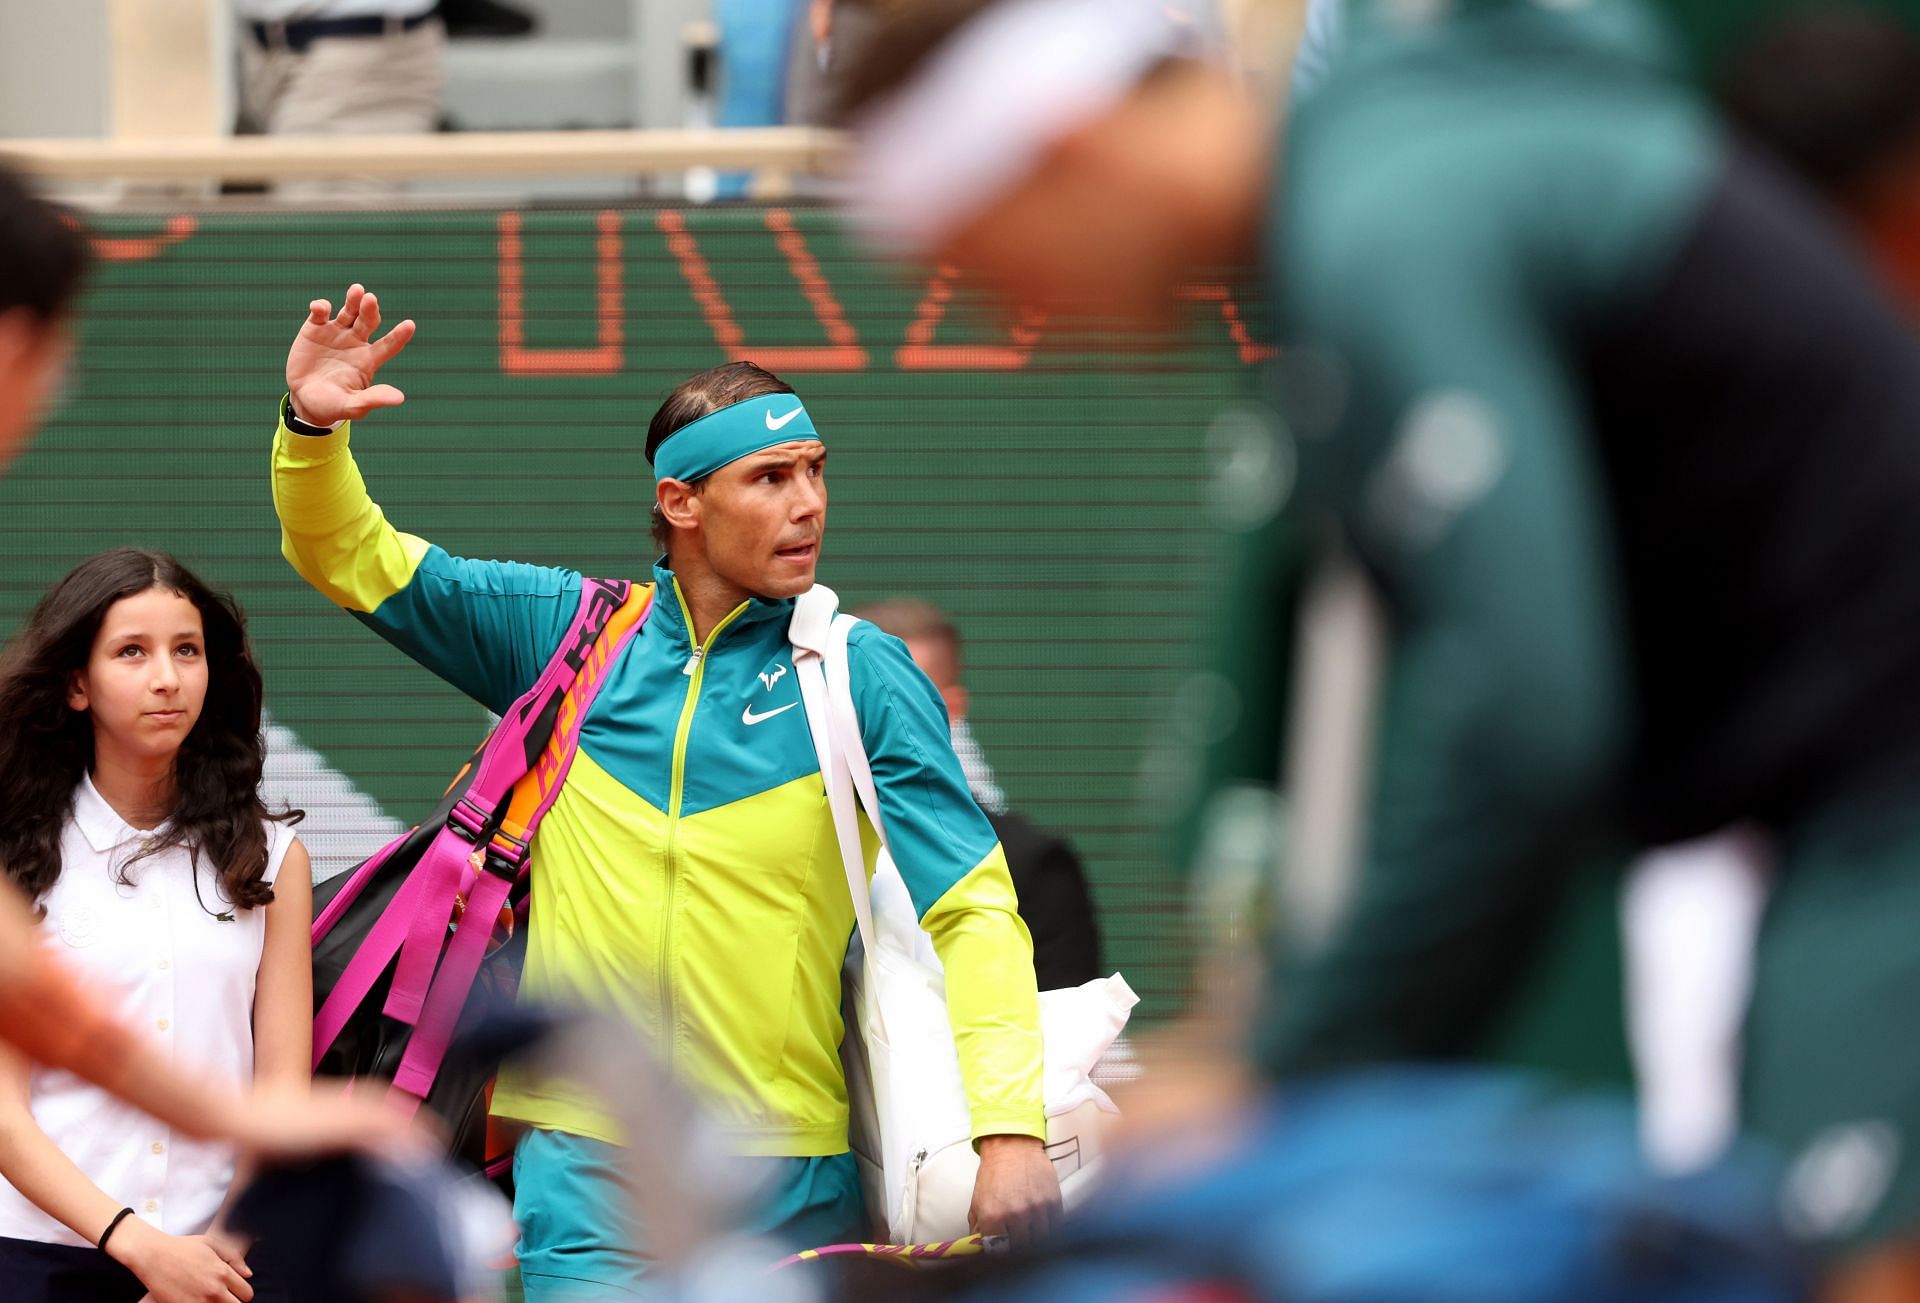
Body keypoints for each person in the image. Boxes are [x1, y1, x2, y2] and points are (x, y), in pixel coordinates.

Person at [838, 0, 1920, 1292]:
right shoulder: (1383, 178)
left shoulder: (1382, 226)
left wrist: (1283, 1068)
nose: (1021, 320)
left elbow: (1527, 718)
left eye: (986, 261)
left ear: (1068, 148)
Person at [269, 284, 1061, 1296]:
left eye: (815, 472)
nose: (808, 503)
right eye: (769, 477)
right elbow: (353, 556)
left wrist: (1009, 1131)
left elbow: (975, 907)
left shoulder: (864, 670)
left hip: (792, 1166)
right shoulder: (569, 632)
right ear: (682, 502)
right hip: (586, 1158)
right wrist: (311, 432)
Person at [0, 549, 314, 1302]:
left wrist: (216, 1258)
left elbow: (281, 1095)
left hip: (223, 1267)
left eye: (187, 650)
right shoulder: (14, 851)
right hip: (38, 1258)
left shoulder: (274, 857)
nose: (167, 677)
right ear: (77, 683)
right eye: (131, 652)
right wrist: (138, 1245)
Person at [853, 597, 1102, 990]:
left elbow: (1072, 1040)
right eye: (858, 707)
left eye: (901, 706)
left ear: (950, 710)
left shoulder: (1031, 865)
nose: (878, 725)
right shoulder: (796, 858)